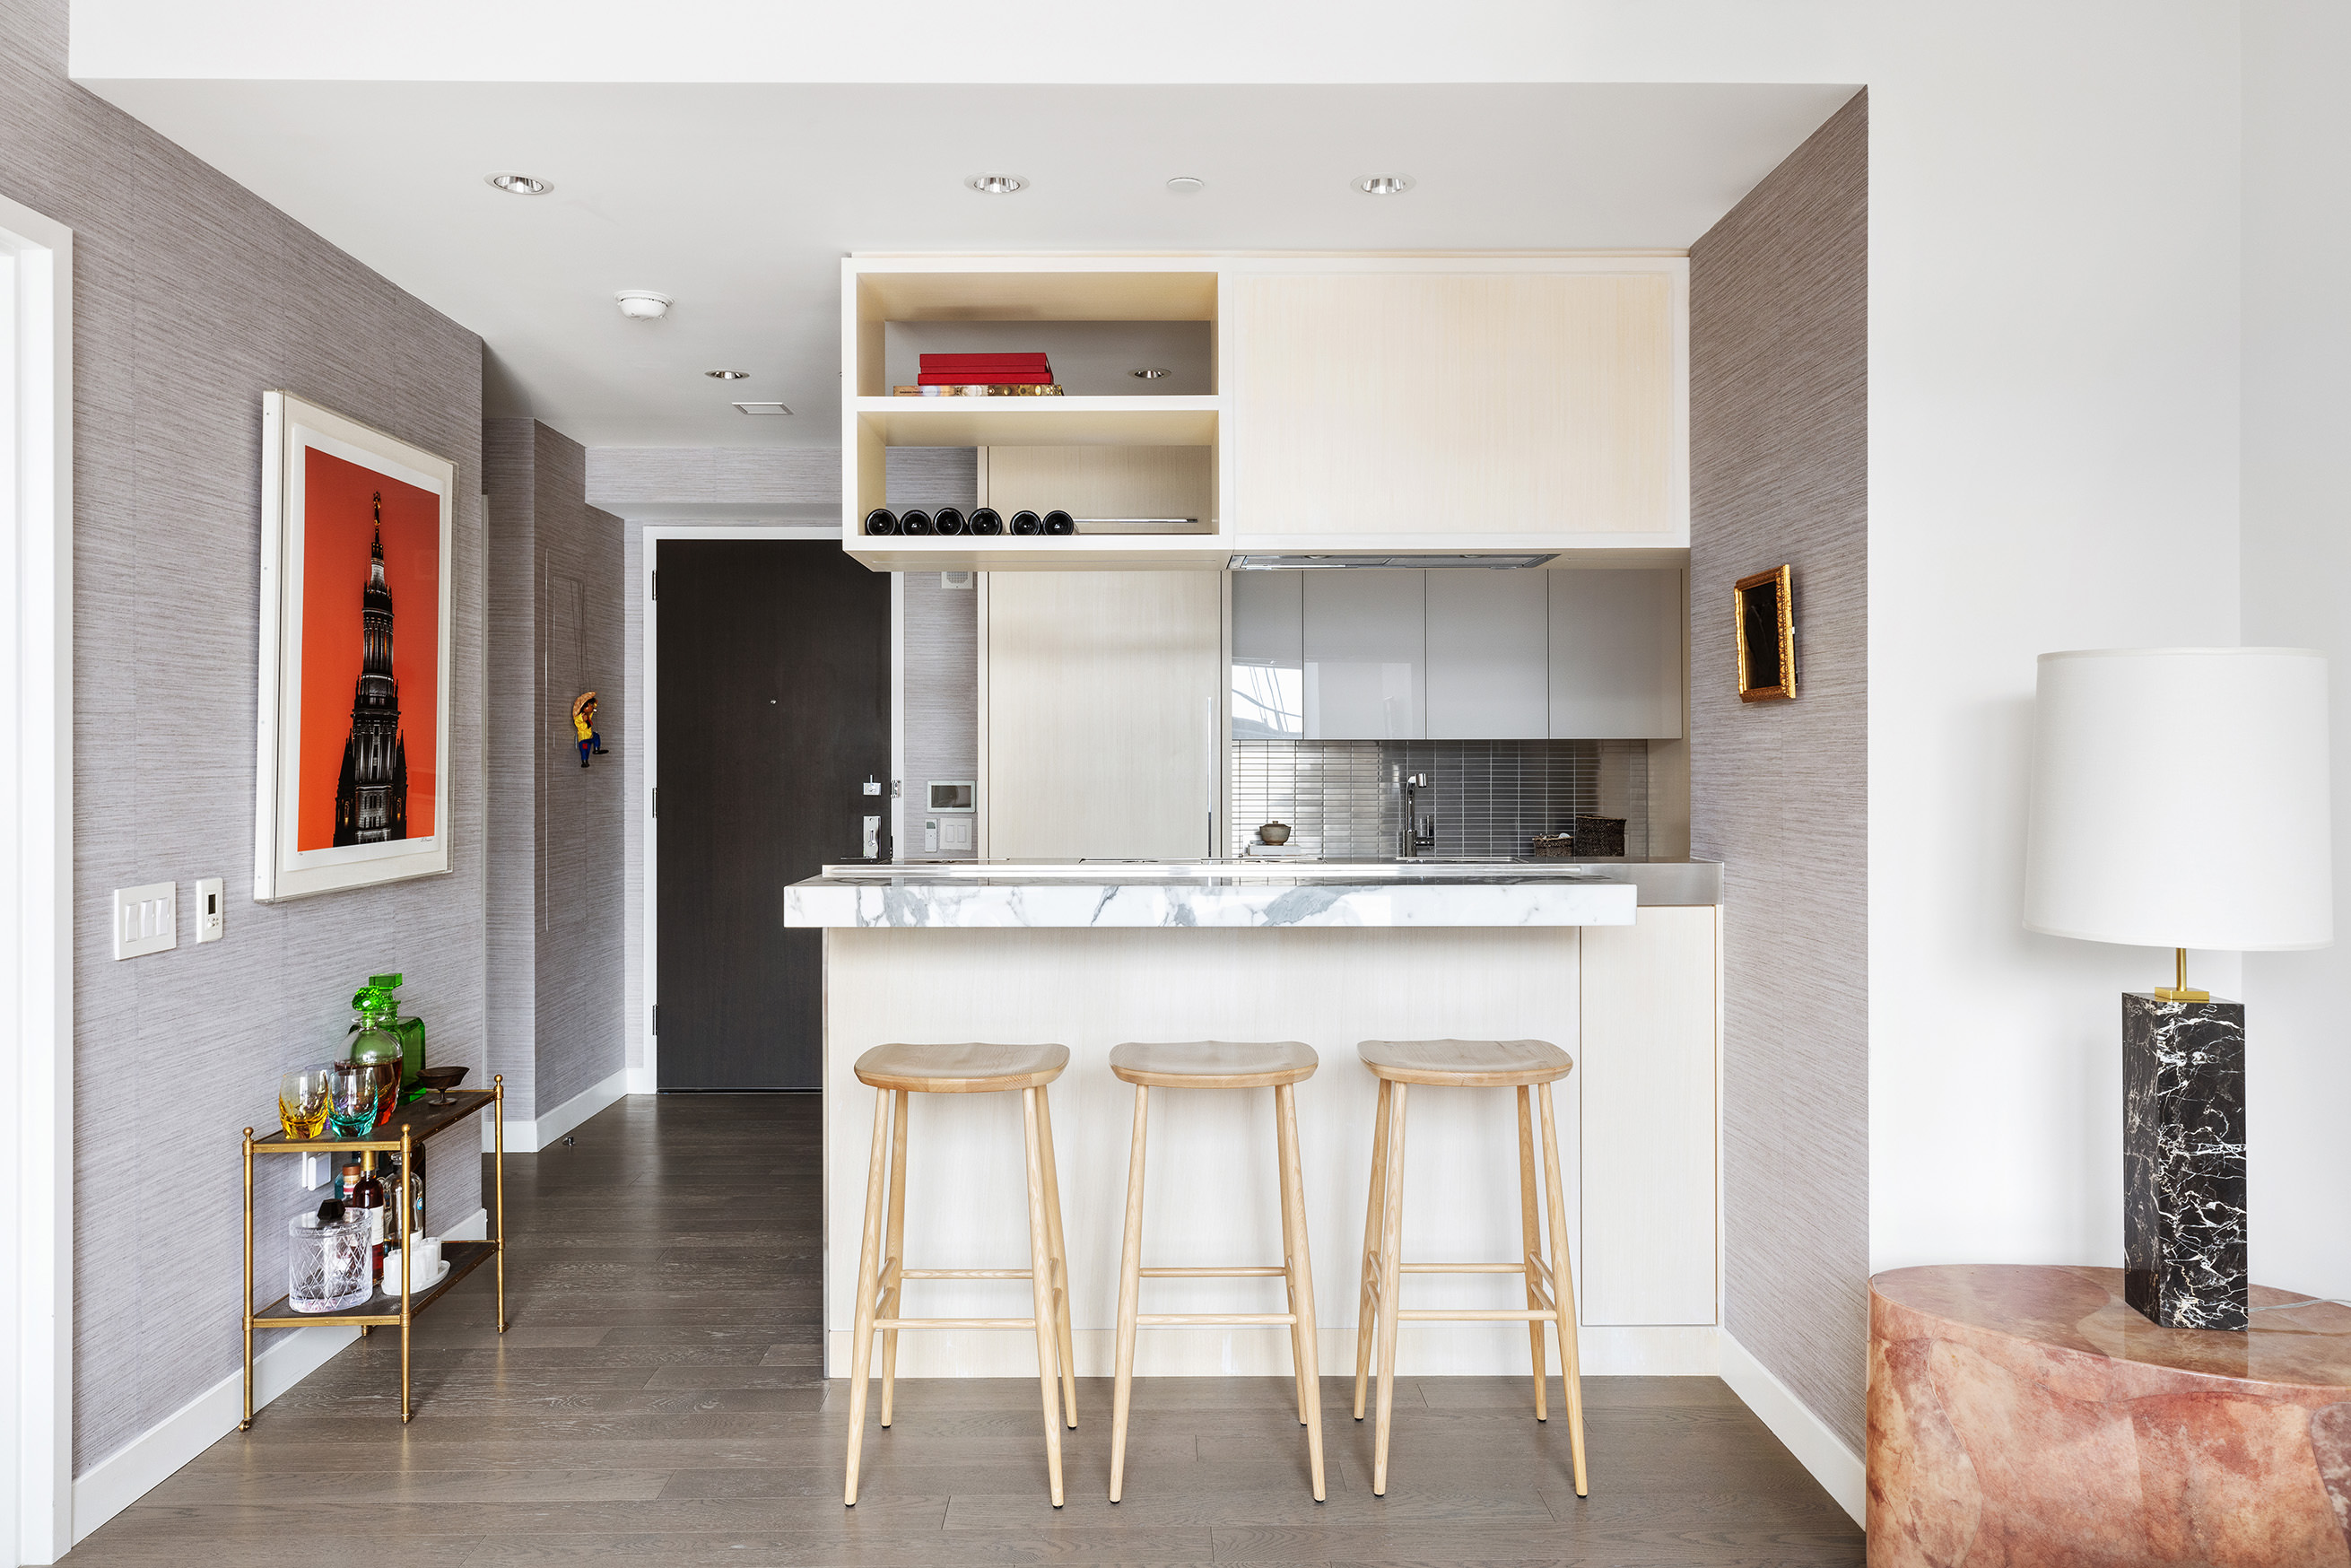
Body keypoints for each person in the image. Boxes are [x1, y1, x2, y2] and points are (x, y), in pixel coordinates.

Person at [572, 692, 605, 768]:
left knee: (596, 736)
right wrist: (582, 718)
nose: (593, 709)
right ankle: (585, 761)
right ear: (585, 707)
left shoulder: (588, 715)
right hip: (583, 740)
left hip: (590, 737)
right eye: (591, 706)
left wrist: (594, 703)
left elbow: (592, 708)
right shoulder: (580, 717)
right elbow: (577, 720)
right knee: (585, 750)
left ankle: (596, 749)